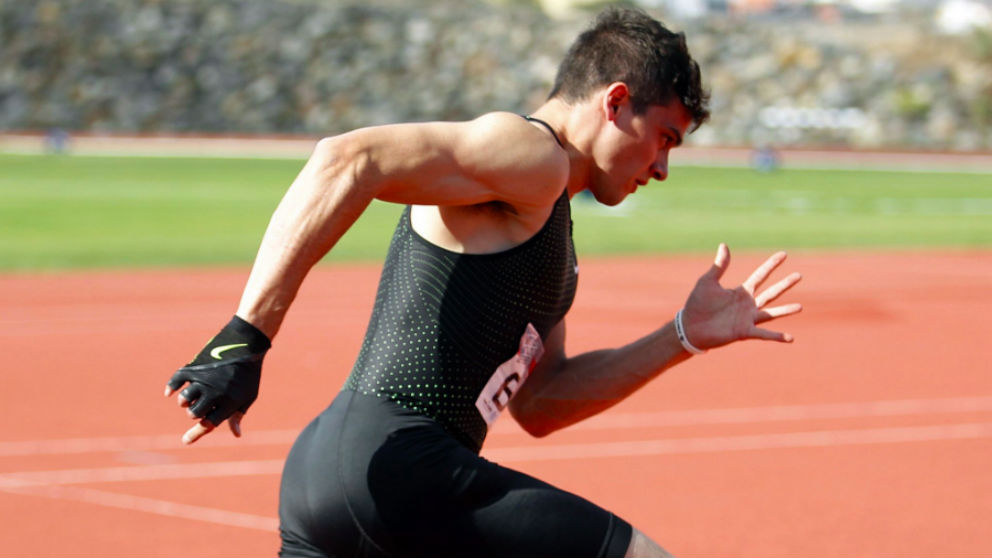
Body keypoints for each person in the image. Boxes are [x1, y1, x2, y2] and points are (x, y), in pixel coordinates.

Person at [165, 6, 802, 557]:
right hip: (403, 467)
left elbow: (543, 404)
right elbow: (347, 158)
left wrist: (682, 336)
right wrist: (243, 338)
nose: (662, 168)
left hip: (339, 478)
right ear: (614, 102)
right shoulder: (533, 156)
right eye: (663, 138)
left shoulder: (549, 228)